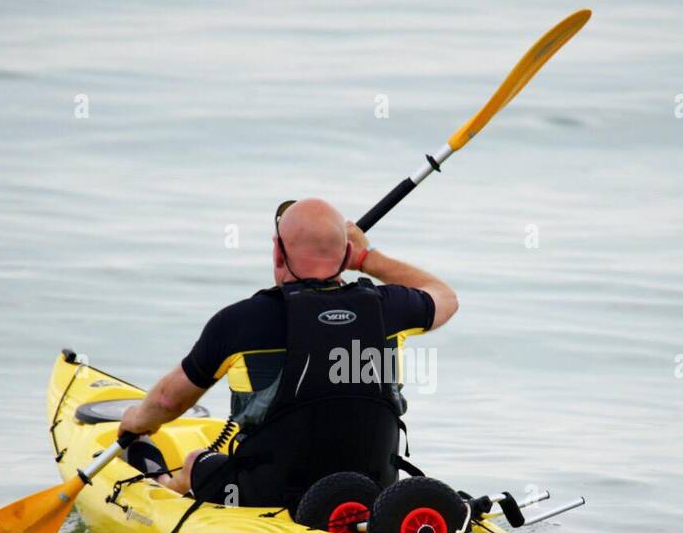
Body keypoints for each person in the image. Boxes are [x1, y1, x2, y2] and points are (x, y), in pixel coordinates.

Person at [117, 198, 458, 507]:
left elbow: (166, 402)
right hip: (371, 492)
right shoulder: (390, 309)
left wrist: (134, 421)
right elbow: (444, 297)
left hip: (266, 494)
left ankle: (163, 490)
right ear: (345, 253)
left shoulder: (241, 322)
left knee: (194, 463)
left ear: (278, 251)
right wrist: (367, 259)